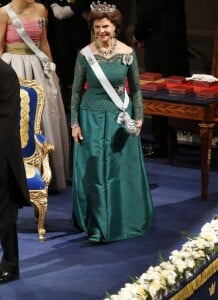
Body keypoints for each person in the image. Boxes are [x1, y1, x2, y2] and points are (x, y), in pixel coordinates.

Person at [70, 2, 154, 243]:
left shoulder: (127, 53)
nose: (101, 31)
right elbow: (76, 92)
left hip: (120, 119)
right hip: (91, 117)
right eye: (97, 27)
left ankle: (121, 219)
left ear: (115, 26)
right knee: (95, 173)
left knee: (117, 171)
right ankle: (97, 226)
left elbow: (136, 89)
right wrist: (74, 123)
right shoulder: (85, 55)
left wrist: (139, 117)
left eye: (105, 26)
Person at [0, 0, 69, 192]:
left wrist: (52, 70)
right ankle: (15, 176)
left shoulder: (40, 9)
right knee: (19, 118)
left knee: (46, 116)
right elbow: (0, 48)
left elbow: (44, 43)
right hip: (13, 67)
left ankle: (46, 174)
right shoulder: (3, 13)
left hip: (38, 67)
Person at [133, 0, 190, 157]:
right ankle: (168, 141)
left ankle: (162, 143)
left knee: (159, 92)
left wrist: (138, 33)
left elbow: (149, 9)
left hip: (161, 44)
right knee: (166, 92)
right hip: (172, 41)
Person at [0, 58, 30, 284]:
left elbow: (7, 122)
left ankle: (10, 265)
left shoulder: (5, 74)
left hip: (2, 155)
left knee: (4, 214)